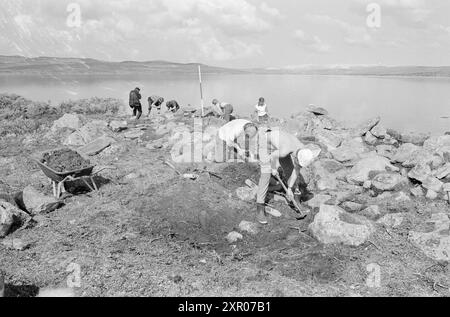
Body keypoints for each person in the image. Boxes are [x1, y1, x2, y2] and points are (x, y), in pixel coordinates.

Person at [255, 128, 320, 224]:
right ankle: (259, 207)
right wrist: (273, 168)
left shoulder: (302, 150)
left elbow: (296, 171)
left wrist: (289, 188)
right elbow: (273, 156)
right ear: (297, 158)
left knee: (290, 170)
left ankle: (295, 200)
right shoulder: (284, 151)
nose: (299, 165)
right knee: (266, 173)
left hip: (280, 145)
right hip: (265, 144)